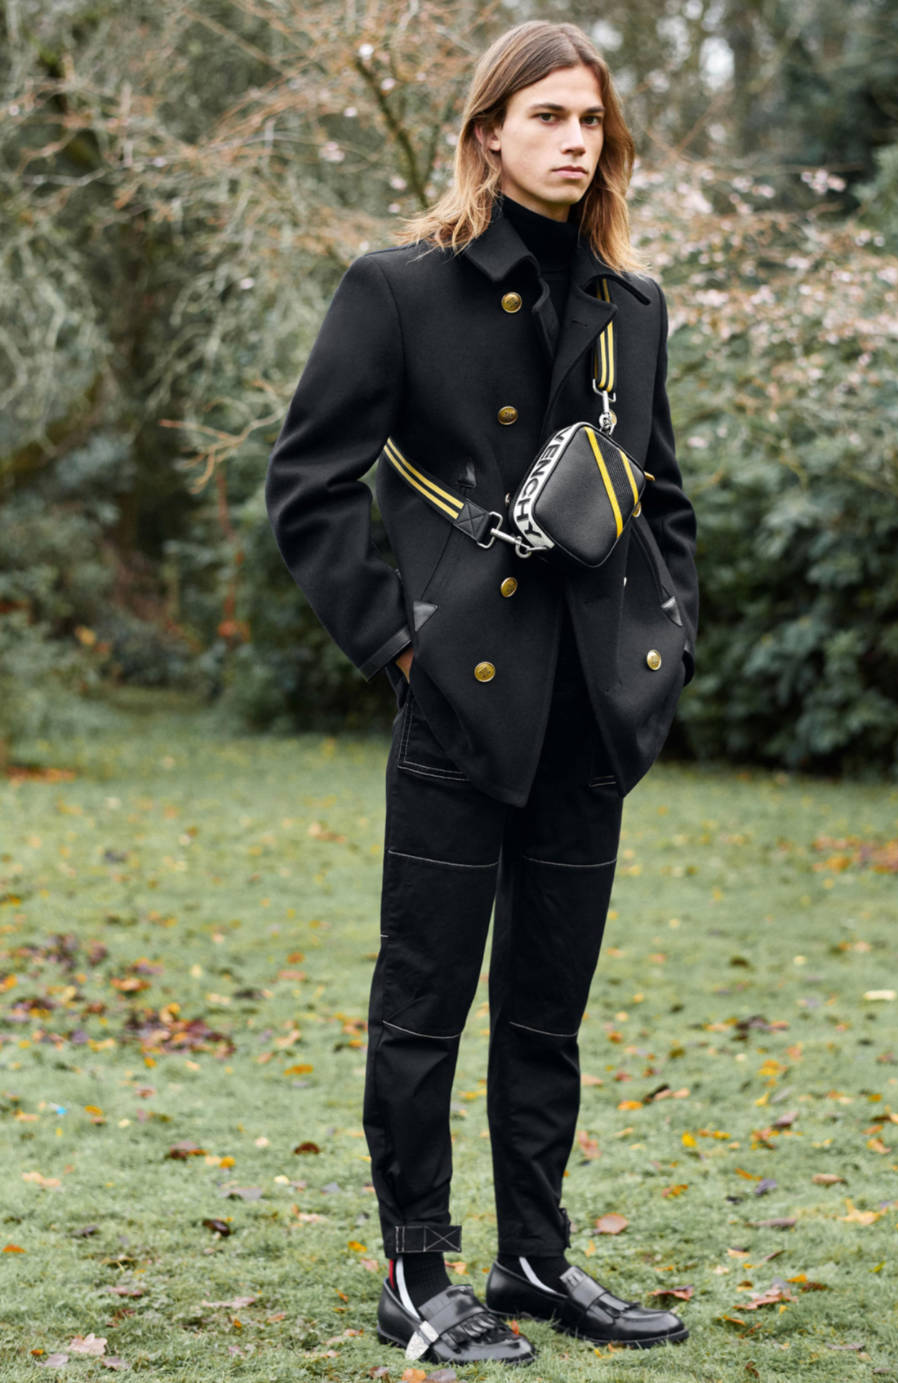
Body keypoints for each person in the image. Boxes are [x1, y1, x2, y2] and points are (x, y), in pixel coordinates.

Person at [265, 19, 698, 1368]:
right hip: (461, 705)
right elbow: (309, 486)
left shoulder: (633, 308)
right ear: (488, 132)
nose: (574, 141)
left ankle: (535, 1259)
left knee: (547, 1009)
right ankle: (417, 1272)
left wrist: (662, 653)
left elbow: (662, 503)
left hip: (589, 719)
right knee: (424, 1002)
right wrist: (404, 647)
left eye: (591, 121)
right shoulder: (401, 287)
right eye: (547, 116)